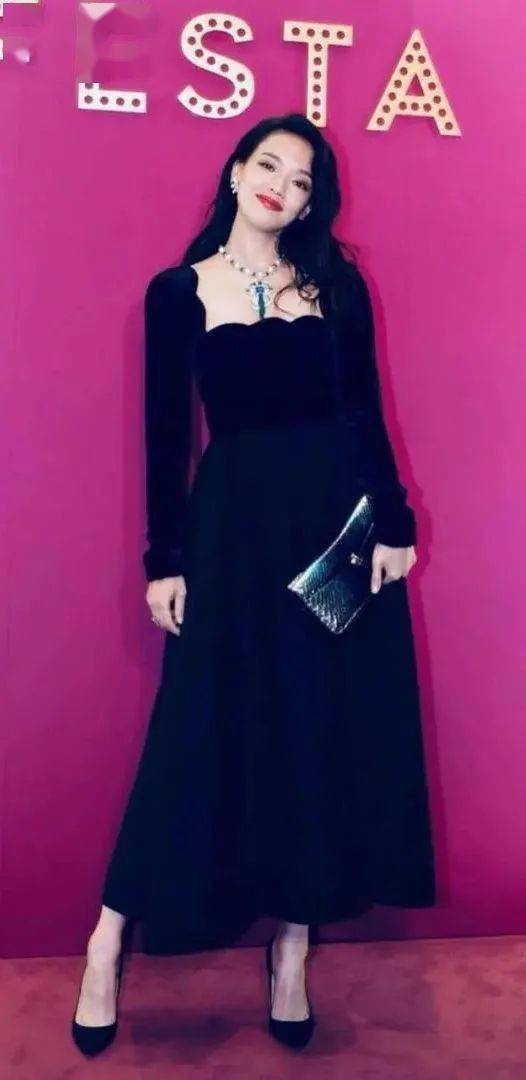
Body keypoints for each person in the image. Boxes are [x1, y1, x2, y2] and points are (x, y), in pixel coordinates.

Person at [71, 112, 436, 1056]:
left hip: (332, 530)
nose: (282, 184)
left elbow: (364, 413)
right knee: (196, 732)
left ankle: (292, 951)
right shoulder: (178, 292)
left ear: (312, 203)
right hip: (230, 535)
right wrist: (164, 559)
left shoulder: (336, 285)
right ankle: (108, 941)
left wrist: (395, 525)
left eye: (302, 179)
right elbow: (167, 438)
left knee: (316, 731)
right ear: (236, 174)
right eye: (269, 164)